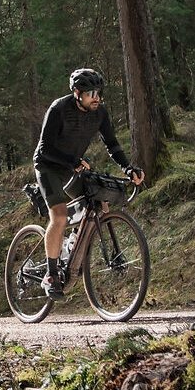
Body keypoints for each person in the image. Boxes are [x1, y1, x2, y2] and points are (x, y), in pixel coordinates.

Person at [32, 68, 143, 297]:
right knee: (59, 216)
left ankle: (74, 247)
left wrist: (128, 168)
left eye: (99, 93)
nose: (96, 98)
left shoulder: (99, 113)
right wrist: (72, 161)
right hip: (48, 167)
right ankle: (51, 276)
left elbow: (112, 144)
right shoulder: (59, 109)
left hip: (73, 167)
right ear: (77, 93)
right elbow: (44, 148)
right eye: (91, 93)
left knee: (100, 204)